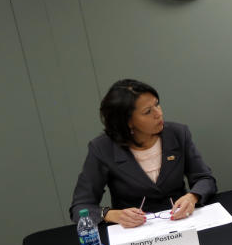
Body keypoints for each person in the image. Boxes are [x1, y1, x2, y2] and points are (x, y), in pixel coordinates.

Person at [70, 79, 217, 228]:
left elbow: (205, 179)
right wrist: (112, 214)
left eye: (157, 104)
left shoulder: (178, 133)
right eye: (148, 111)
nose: (158, 113)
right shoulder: (102, 148)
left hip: (182, 223)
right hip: (135, 234)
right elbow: (81, 207)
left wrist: (192, 197)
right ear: (127, 121)